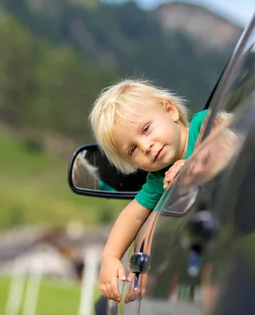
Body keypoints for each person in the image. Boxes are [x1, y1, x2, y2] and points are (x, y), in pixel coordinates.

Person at [89, 79, 222, 303]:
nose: (146, 146)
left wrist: (194, 162)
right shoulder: (158, 180)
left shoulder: (203, 125)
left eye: (146, 129)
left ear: (170, 110)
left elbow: (230, 139)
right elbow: (132, 215)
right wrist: (111, 257)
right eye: (132, 150)